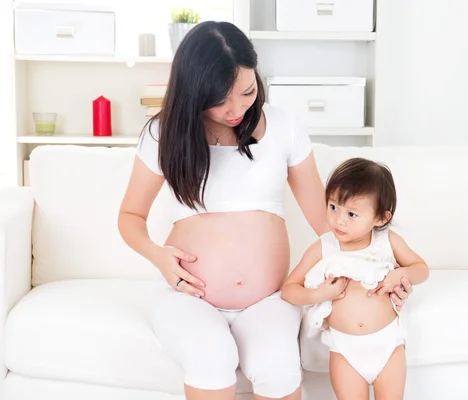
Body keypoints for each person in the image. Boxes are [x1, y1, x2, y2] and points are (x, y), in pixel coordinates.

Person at [118, 20, 410, 400]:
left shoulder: (284, 127)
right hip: (188, 297)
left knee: (277, 366)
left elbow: (328, 220)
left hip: (269, 300)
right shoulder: (163, 135)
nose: (237, 108)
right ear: (194, 92)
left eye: (247, 91)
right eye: (220, 100)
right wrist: (158, 256)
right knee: (211, 355)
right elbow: (129, 217)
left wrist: (381, 268)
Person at [282, 158, 429, 400]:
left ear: (380, 218)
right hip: (344, 350)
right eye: (333, 207)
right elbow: (289, 289)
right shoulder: (324, 246)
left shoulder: (386, 242)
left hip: (388, 345)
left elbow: (421, 269)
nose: (339, 220)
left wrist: (400, 274)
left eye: (351, 213)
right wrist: (320, 294)